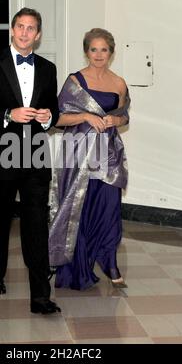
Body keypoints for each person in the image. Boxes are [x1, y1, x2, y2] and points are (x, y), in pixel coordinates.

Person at [0, 7, 61, 314]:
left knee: (36, 222)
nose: (24, 33)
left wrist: (49, 118)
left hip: (34, 152)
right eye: (20, 26)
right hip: (1, 151)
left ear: (38, 34)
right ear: (12, 29)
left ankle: (40, 296)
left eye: (31, 28)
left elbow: (53, 112)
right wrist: (8, 115)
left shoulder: (48, 68)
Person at [49, 28, 130, 290]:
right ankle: (77, 265)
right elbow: (58, 118)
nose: (98, 55)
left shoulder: (118, 83)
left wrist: (116, 119)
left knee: (109, 209)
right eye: (93, 49)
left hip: (107, 154)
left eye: (104, 50)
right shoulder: (75, 81)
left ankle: (109, 260)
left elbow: (125, 116)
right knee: (79, 209)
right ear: (86, 51)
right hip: (79, 152)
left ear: (111, 52)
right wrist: (86, 116)